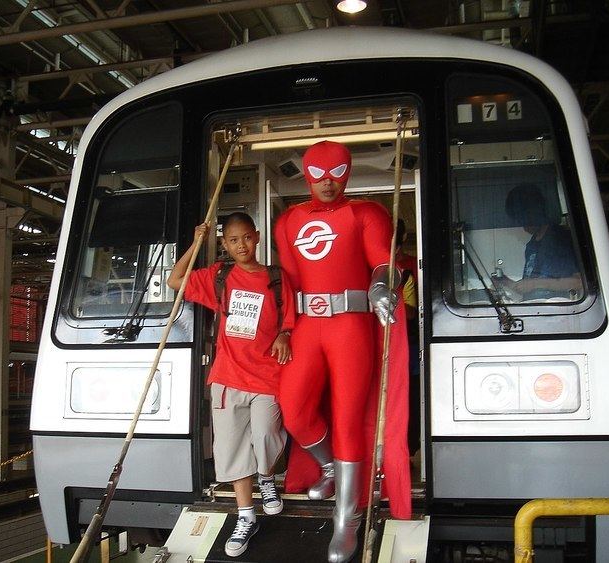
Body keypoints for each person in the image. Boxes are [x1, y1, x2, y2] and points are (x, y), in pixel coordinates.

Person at [274, 140, 410, 563]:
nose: (327, 183)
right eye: (317, 174)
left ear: (347, 173)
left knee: (349, 418)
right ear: (307, 174)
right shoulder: (289, 221)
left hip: (351, 325)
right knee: (293, 409)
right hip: (307, 326)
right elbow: (288, 281)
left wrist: (381, 285)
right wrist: (283, 328)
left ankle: (345, 519)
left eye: (335, 174)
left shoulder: (367, 213)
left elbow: (380, 262)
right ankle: (329, 467)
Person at [167, 212, 296, 558]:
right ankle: (246, 515)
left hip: (268, 376)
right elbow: (175, 280)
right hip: (227, 378)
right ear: (225, 244)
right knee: (232, 446)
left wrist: (284, 334)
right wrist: (196, 242)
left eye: (247, 238)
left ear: (257, 237)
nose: (242, 245)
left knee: (267, 434)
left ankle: (266, 478)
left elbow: (290, 322)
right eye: (233, 240)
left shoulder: (277, 279)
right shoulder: (219, 277)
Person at [497, 183, 583, 300]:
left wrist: (535, 283)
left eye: (523, 218)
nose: (523, 226)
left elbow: (578, 282)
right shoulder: (531, 246)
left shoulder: (562, 239)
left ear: (535, 211)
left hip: (557, 312)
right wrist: (505, 281)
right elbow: (529, 288)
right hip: (535, 311)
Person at [395, 219, 421, 458]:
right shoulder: (371, 265)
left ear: (403, 238)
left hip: (409, 345)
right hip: (378, 347)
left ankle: (409, 452)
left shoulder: (413, 266)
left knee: (410, 396)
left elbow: (415, 312)